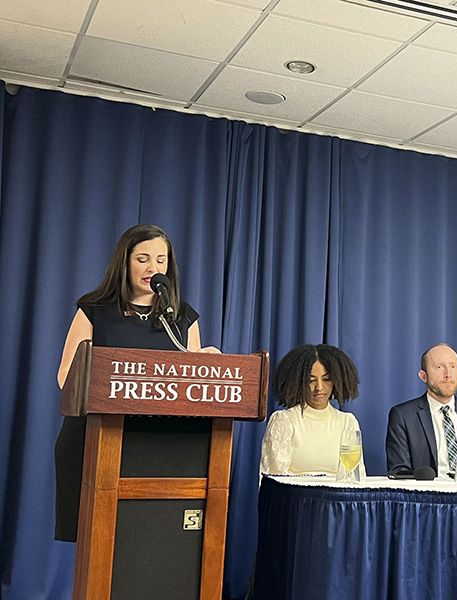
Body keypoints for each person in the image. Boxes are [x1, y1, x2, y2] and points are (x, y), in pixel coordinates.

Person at [55, 224, 219, 542]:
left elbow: (192, 385)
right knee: (98, 541)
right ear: (125, 262)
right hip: (97, 440)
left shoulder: (183, 318)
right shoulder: (95, 310)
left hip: (159, 446)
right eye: (142, 259)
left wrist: (209, 366)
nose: (152, 268)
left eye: (161, 260)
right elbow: (66, 377)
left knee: (147, 544)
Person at [385, 343, 457, 476]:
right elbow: (399, 471)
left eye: (453, 366)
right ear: (423, 376)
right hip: (425, 494)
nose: (448, 374)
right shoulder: (403, 416)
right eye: (439, 367)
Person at [259, 344, 364, 476]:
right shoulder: (285, 421)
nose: (319, 387)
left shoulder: (347, 422)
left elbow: (356, 477)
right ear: (298, 383)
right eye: (311, 380)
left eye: (326, 379)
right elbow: (274, 481)